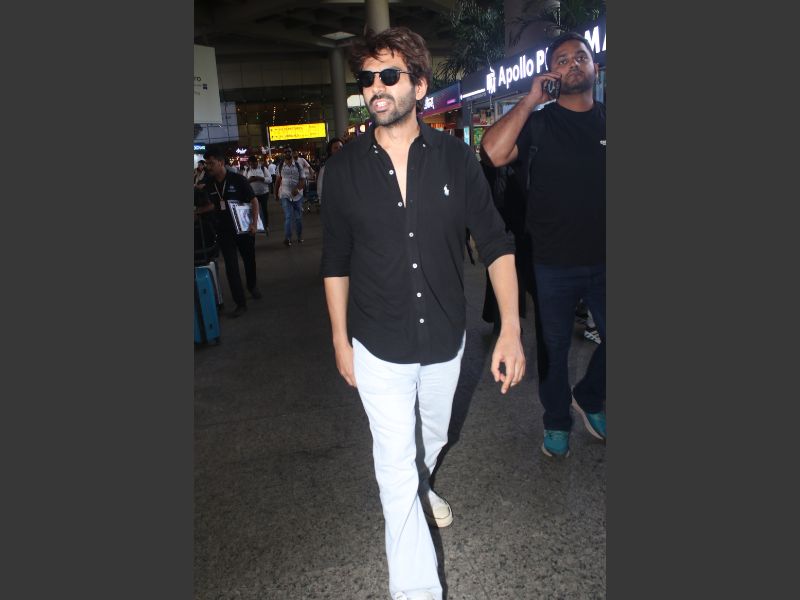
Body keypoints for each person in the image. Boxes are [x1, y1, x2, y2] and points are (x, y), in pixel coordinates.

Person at [320, 27, 525, 600]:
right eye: (367, 79)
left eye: (389, 75)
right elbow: (335, 260)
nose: (376, 88)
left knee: (431, 438)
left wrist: (511, 328)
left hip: (443, 339)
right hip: (377, 343)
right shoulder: (344, 170)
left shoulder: (457, 159)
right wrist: (339, 339)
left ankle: (422, 479)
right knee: (393, 469)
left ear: (419, 84)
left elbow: (497, 243)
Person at [481, 31, 606, 458]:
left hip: (607, 259)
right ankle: (556, 420)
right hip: (552, 262)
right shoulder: (538, 123)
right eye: (563, 60)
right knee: (553, 350)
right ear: (551, 74)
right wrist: (532, 98)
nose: (573, 64)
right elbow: (492, 152)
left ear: (595, 68)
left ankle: (589, 395)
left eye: (580, 57)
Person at [201, 147, 262, 317]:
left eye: (211, 163)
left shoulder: (238, 179)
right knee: (231, 266)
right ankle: (240, 303)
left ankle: (252, 285)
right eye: (207, 164)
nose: (208, 167)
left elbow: (254, 201)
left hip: (243, 229)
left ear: (221, 163)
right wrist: (198, 211)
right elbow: (212, 204)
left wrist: (254, 224)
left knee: (249, 260)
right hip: (223, 231)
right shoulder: (209, 183)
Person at [274, 147, 306, 246]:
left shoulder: (298, 165)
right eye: (286, 152)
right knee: (288, 216)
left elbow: (303, 180)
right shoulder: (280, 166)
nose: (287, 153)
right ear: (283, 154)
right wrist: (275, 194)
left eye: (289, 151)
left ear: (292, 153)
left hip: (298, 196)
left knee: (298, 218)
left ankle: (299, 236)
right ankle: (288, 238)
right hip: (285, 195)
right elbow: (278, 181)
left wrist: (298, 189)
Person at [243, 155, 271, 234]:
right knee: (254, 210)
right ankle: (256, 226)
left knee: (264, 210)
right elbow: (243, 182)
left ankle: (266, 226)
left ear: (257, 162)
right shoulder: (247, 170)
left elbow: (270, 179)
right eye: (250, 164)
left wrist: (260, 178)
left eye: (253, 164)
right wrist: (250, 180)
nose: (252, 165)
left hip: (264, 193)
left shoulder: (263, 168)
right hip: (253, 195)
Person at [316, 137, 343, 203]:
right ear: (330, 151)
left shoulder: (349, 166)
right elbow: (320, 190)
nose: (339, 150)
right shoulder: (325, 169)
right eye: (336, 148)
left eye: (341, 147)